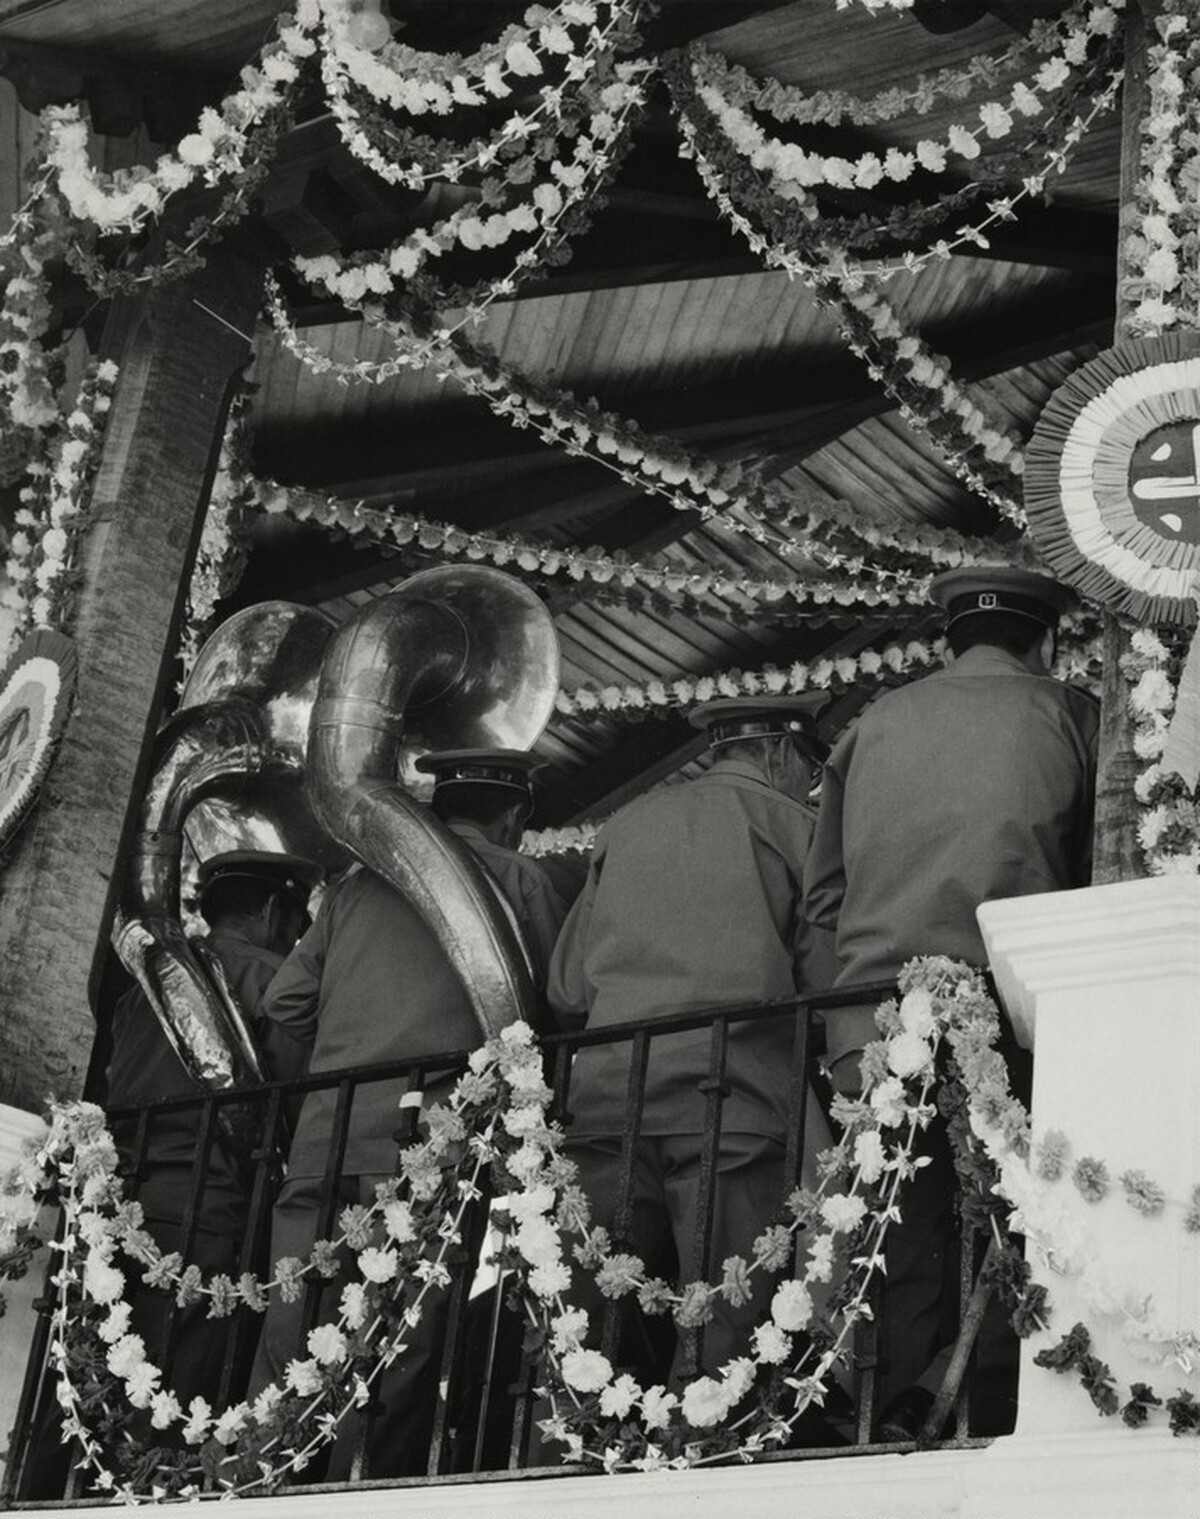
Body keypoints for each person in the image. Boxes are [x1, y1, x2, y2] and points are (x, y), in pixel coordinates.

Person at [803, 564, 1099, 1440]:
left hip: (875, 1024)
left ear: (948, 640)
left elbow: (822, 902)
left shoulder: (872, 725)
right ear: (1044, 639)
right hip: (1008, 1020)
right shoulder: (1069, 712)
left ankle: (881, 1409)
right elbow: (1095, 872)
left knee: (898, 1231)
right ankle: (954, 1399)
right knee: (1028, 1223)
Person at [252, 748, 568, 1477]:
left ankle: (262, 1483)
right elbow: (550, 1012)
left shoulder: (362, 883)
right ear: (516, 813)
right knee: (401, 1343)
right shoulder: (519, 878)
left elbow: (284, 1002)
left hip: (324, 1134)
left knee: (291, 1325)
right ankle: (356, 1491)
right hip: (432, 1139)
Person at [546, 695, 836, 1390]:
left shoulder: (626, 822)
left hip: (611, 1097)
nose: (811, 784)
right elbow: (824, 975)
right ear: (780, 752)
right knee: (727, 1321)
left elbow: (566, 988)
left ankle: (560, 1463)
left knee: (585, 1323)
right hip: (734, 1097)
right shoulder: (796, 825)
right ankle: (705, 1456)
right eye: (811, 769)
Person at [105, 850, 322, 1406]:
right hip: (209, 1208)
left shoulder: (141, 988)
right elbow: (296, 1106)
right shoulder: (272, 979)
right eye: (300, 926)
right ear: (276, 911)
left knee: (102, 1379)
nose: (297, 940)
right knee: (179, 1391)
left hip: (123, 1204)